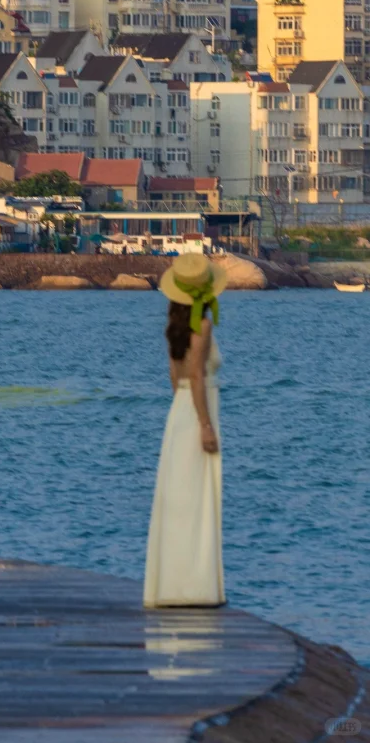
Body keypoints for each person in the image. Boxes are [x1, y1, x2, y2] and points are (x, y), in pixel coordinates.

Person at [143, 253, 227, 608]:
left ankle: (173, 584)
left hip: (178, 412)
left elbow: (174, 377)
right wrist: (205, 425)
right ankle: (195, 586)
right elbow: (196, 377)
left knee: (178, 501)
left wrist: (188, 411)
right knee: (197, 501)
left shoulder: (173, 328)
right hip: (196, 412)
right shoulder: (202, 327)